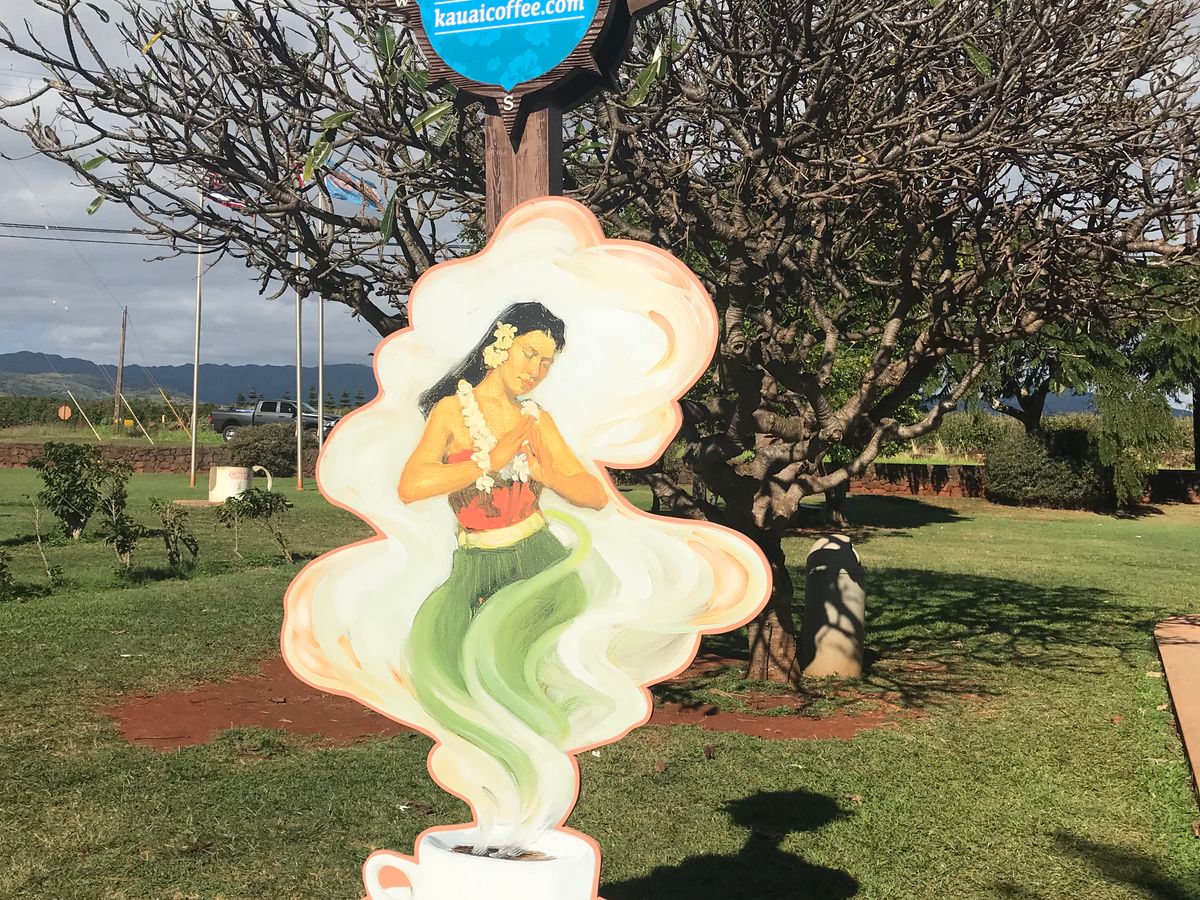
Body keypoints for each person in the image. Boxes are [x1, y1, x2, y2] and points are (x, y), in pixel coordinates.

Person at [396, 301, 609, 856]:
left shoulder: (536, 419)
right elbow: (412, 485)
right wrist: (488, 462)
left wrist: (544, 471)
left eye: (548, 361)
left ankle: (525, 812)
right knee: (470, 687)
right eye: (530, 353)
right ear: (500, 343)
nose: (536, 369)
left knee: (515, 682)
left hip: (536, 563)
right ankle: (497, 810)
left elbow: (593, 494)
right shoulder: (453, 411)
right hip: (476, 566)